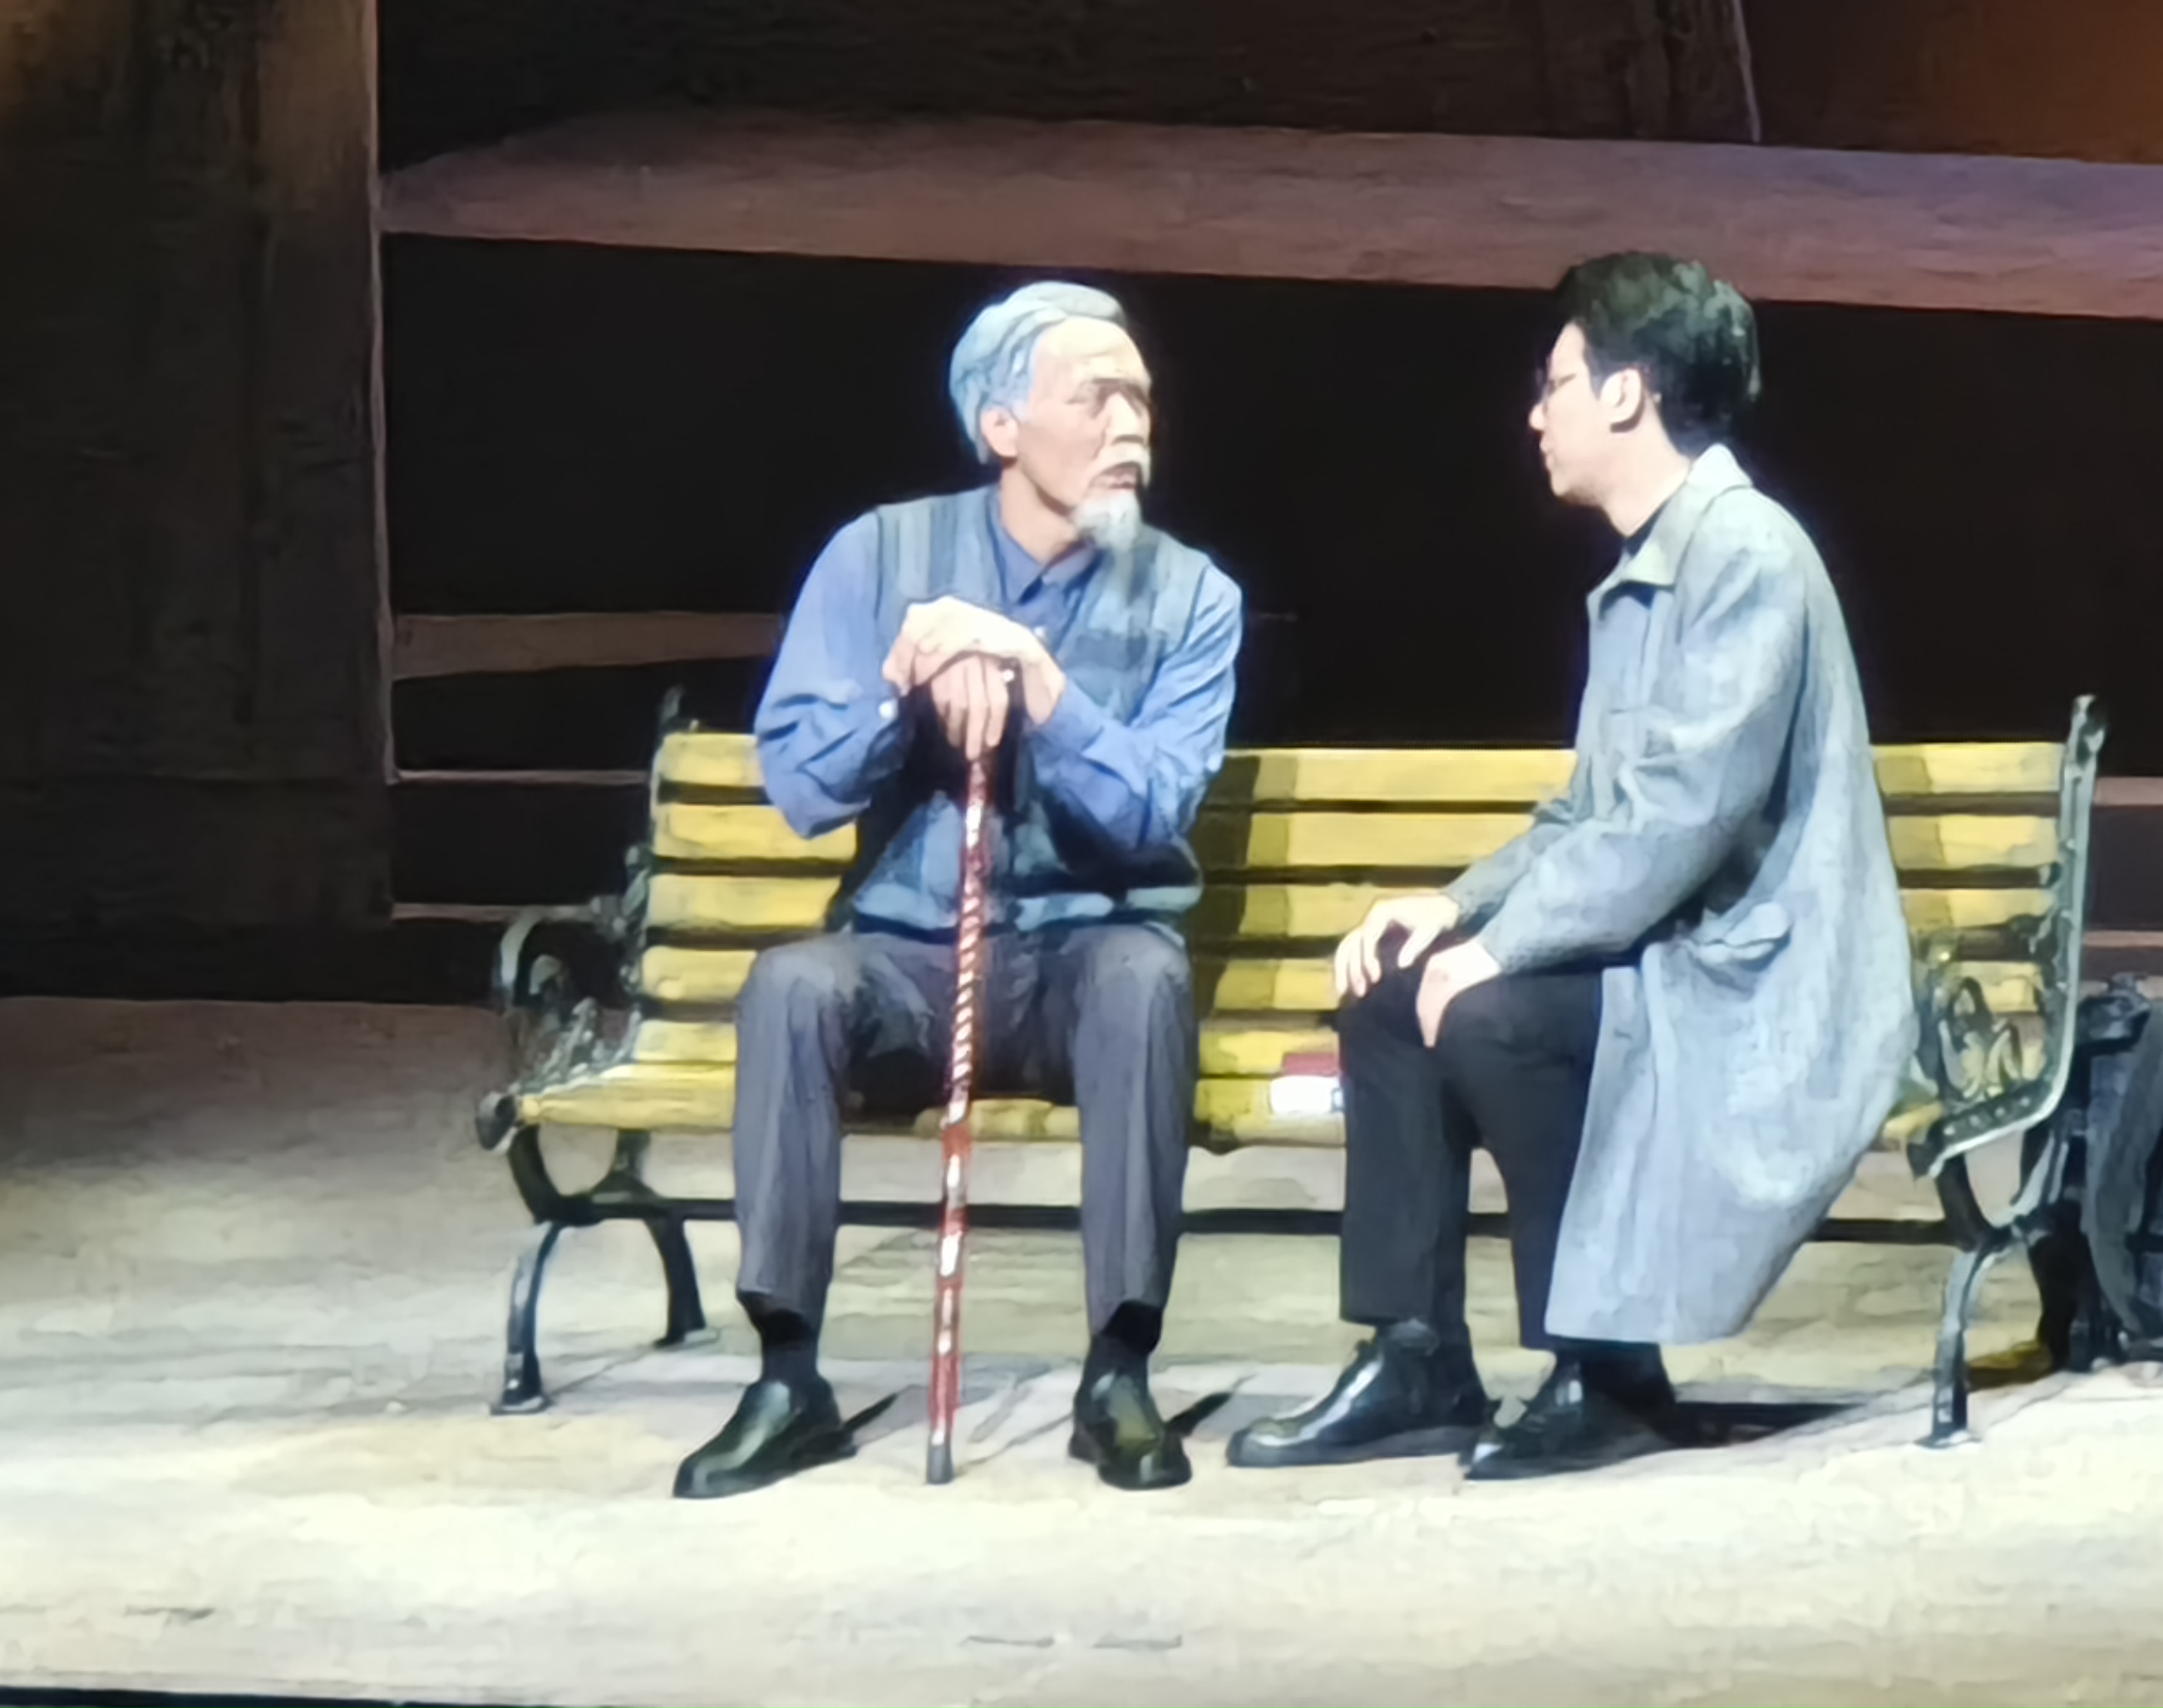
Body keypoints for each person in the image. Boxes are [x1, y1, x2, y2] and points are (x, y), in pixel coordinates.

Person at [1226, 253, 1914, 1482]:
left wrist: (1497, 950)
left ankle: (1607, 1367)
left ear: (1626, 393)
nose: (1535, 413)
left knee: (1492, 1017)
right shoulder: (1652, 566)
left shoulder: (1745, 553)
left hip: (1753, 987)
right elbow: (1593, 814)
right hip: (1669, 958)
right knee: (1391, 989)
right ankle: (1416, 1353)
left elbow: (1680, 821)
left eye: (1556, 382)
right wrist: (1451, 909)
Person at [673, 282, 1244, 1500]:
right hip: (910, 963)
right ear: (1000, 426)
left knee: (1145, 980)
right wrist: (901, 686)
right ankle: (787, 1377)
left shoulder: (1194, 596)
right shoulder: (877, 557)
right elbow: (803, 785)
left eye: (1141, 399)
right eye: (1096, 398)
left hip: (1080, 961)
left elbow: (1154, 812)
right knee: (791, 988)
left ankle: (1118, 1371)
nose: (1131, 425)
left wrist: (1041, 684)